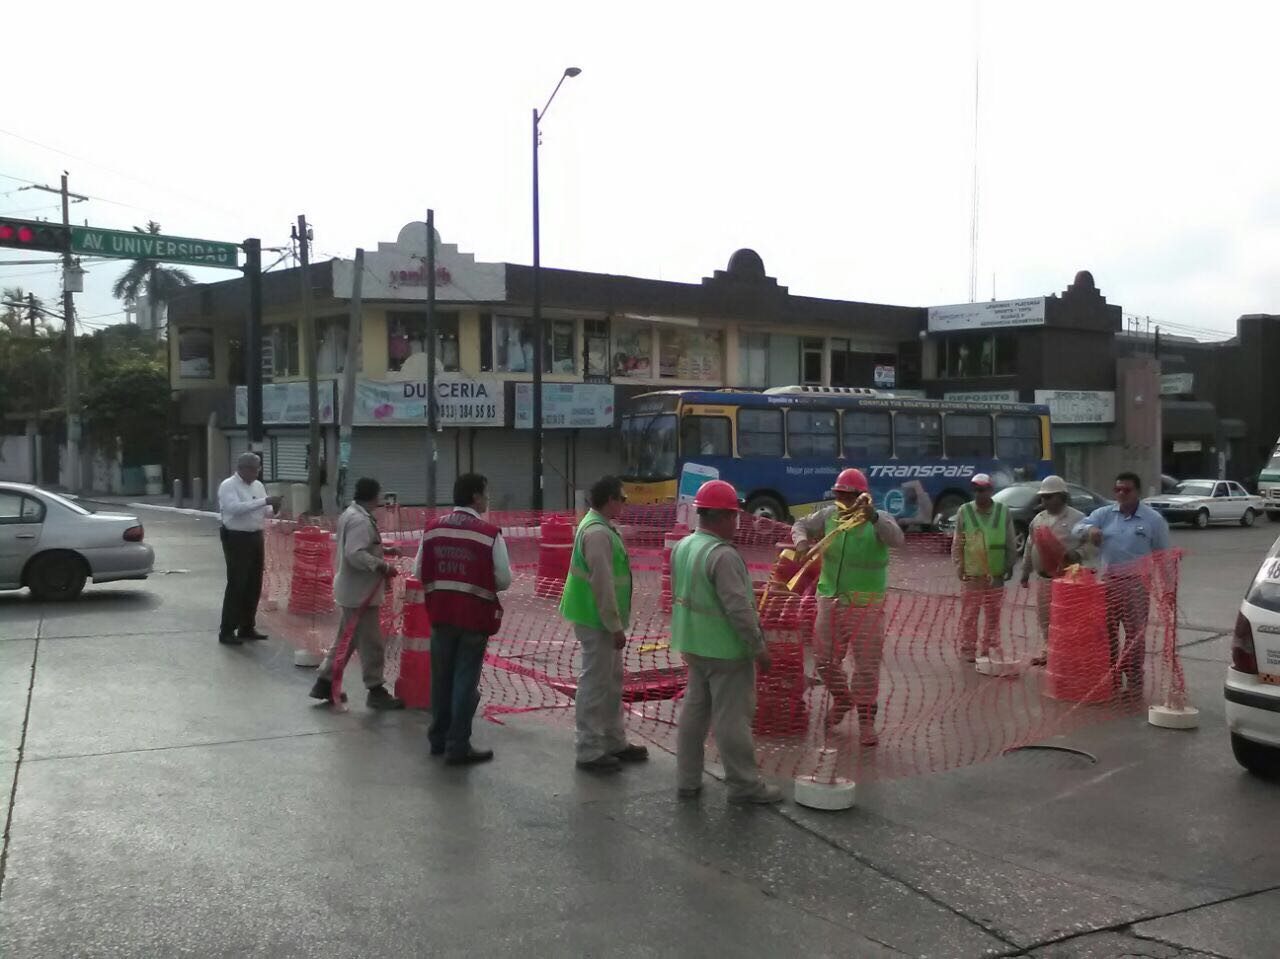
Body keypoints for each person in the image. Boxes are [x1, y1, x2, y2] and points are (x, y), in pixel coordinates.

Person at [670, 479, 781, 805]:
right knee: (732, 721)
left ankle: (687, 781)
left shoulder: (684, 546)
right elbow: (739, 610)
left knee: (693, 716)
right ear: (721, 517)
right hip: (726, 651)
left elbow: (681, 594)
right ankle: (744, 786)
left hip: (693, 645)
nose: (737, 522)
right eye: (734, 515)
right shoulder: (723, 556)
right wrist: (758, 648)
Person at [791, 467, 904, 746]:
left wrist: (874, 518)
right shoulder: (829, 515)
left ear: (861, 496)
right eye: (839, 494)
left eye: (848, 495)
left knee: (866, 666)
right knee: (823, 660)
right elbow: (800, 525)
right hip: (830, 599)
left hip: (866, 604)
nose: (842, 499)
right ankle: (843, 699)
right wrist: (802, 542)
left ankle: (867, 723)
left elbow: (897, 539)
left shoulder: (877, 519)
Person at [414, 473, 511, 765]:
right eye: (486, 493)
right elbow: (504, 579)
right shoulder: (489, 533)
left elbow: (420, 571)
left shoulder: (432, 530)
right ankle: (458, 745)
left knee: (441, 679)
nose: (488, 498)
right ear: (475, 497)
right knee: (464, 683)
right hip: (473, 618)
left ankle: (438, 739)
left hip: (440, 615)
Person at [559, 476, 650, 773]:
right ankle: (589, 749)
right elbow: (603, 584)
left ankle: (613, 741)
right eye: (622, 498)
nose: (625, 503)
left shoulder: (599, 527)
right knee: (595, 685)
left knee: (610, 683)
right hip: (596, 621)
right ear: (610, 500)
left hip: (598, 619)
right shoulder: (597, 533)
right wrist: (614, 625)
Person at [309, 477, 404, 710]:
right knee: (372, 643)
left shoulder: (353, 514)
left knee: (346, 639)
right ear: (375, 496)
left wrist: (384, 551)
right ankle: (375, 688)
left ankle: (325, 682)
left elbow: (360, 547)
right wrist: (382, 566)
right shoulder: (360, 520)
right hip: (360, 593)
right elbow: (355, 553)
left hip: (354, 591)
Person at [1073, 471, 1171, 694]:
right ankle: (1111, 678)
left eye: (1126, 490)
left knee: (1135, 634)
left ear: (1137, 492)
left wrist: (1168, 589)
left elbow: (1164, 557)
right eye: (1117, 490)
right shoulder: (1104, 514)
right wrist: (1091, 530)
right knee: (1106, 633)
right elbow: (1076, 528)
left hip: (1137, 584)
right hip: (1108, 582)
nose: (1121, 494)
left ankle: (1134, 680)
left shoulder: (1153, 520)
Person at [217, 452, 281, 645]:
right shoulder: (228, 485)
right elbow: (234, 508)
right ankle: (227, 630)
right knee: (237, 583)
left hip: (255, 535)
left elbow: (265, 510)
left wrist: (274, 508)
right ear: (243, 468)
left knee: (254, 583)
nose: (257, 472)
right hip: (236, 537)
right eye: (254, 469)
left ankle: (247, 626)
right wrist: (265, 501)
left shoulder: (258, 486)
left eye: (258, 468)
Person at [951, 473, 1017, 663]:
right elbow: (958, 542)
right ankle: (968, 649)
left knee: (993, 614)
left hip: (996, 573)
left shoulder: (1003, 511)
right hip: (972, 574)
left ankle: (987, 648)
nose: (979, 494)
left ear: (990, 490)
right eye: (976, 490)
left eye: (983, 489)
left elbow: (1010, 541)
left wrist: (1009, 565)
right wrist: (959, 567)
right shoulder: (965, 511)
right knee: (970, 614)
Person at [1020, 475, 1084, 666]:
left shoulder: (1078, 518)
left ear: (1062, 496)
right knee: (1045, 618)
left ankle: (1068, 655)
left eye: (1049, 497)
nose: (1044, 501)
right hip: (1044, 578)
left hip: (1067, 580)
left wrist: (1077, 554)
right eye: (1043, 497)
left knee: (1067, 620)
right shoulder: (1039, 519)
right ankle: (1050, 651)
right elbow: (1030, 546)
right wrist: (1025, 571)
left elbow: (1091, 546)